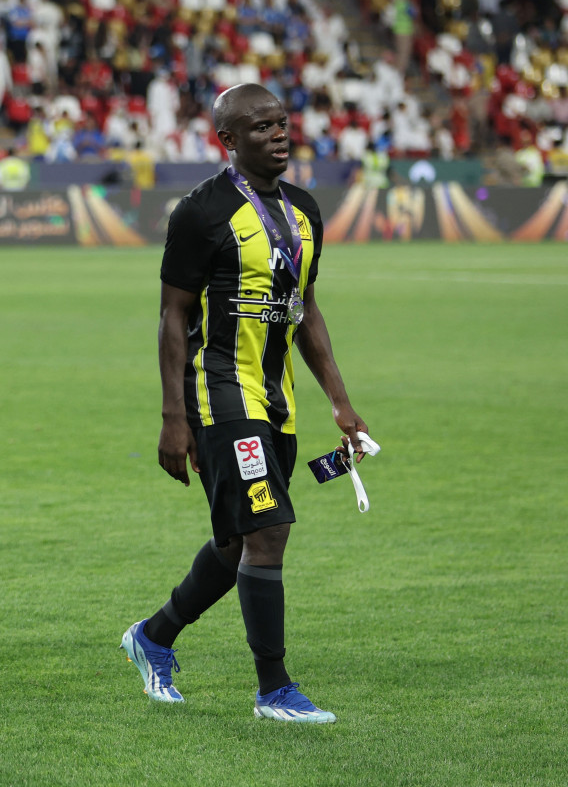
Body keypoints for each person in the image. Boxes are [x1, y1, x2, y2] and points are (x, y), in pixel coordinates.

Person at [120, 83, 371, 724]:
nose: (279, 135)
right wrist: (174, 418)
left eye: (283, 123)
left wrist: (341, 405)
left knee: (236, 542)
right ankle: (275, 690)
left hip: (276, 400)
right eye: (261, 127)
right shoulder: (200, 213)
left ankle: (153, 637)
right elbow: (172, 317)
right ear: (227, 140)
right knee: (270, 531)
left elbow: (305, 310)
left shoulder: (306, 211)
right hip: (219, 393)